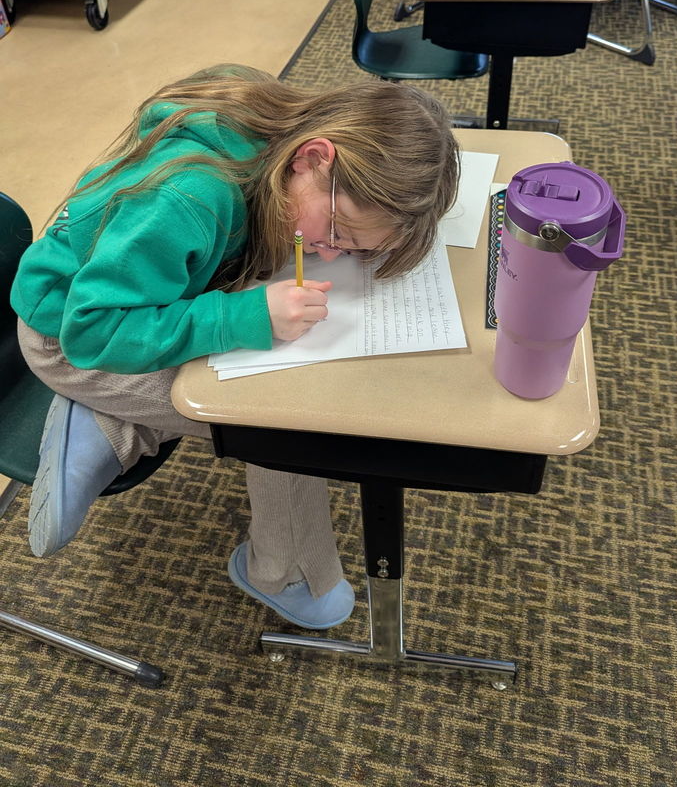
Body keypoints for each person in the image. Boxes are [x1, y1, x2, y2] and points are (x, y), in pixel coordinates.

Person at [12, 64, 459, 631]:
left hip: (158, 300)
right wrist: (244, 315)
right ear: (314, 157)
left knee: (277, 379)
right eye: (339, 233)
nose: (331, 252)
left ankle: (124, 423)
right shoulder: (189, 199)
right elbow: (92, 330)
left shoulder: (283, 152)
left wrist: (347, 241)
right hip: (73, 342)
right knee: (284, 420)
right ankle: (282, 572)